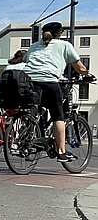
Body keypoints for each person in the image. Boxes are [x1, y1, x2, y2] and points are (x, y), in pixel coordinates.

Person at [23, 21, 93, 162]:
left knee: (39, 108)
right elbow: (80, 67)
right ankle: (61, 151)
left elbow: (26, 61)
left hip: (28, 81)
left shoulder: (34, 46)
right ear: (60, 34)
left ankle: (32, 134)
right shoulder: (65, 45)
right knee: (57, 116)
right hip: (49, 81)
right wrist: (88, 75)